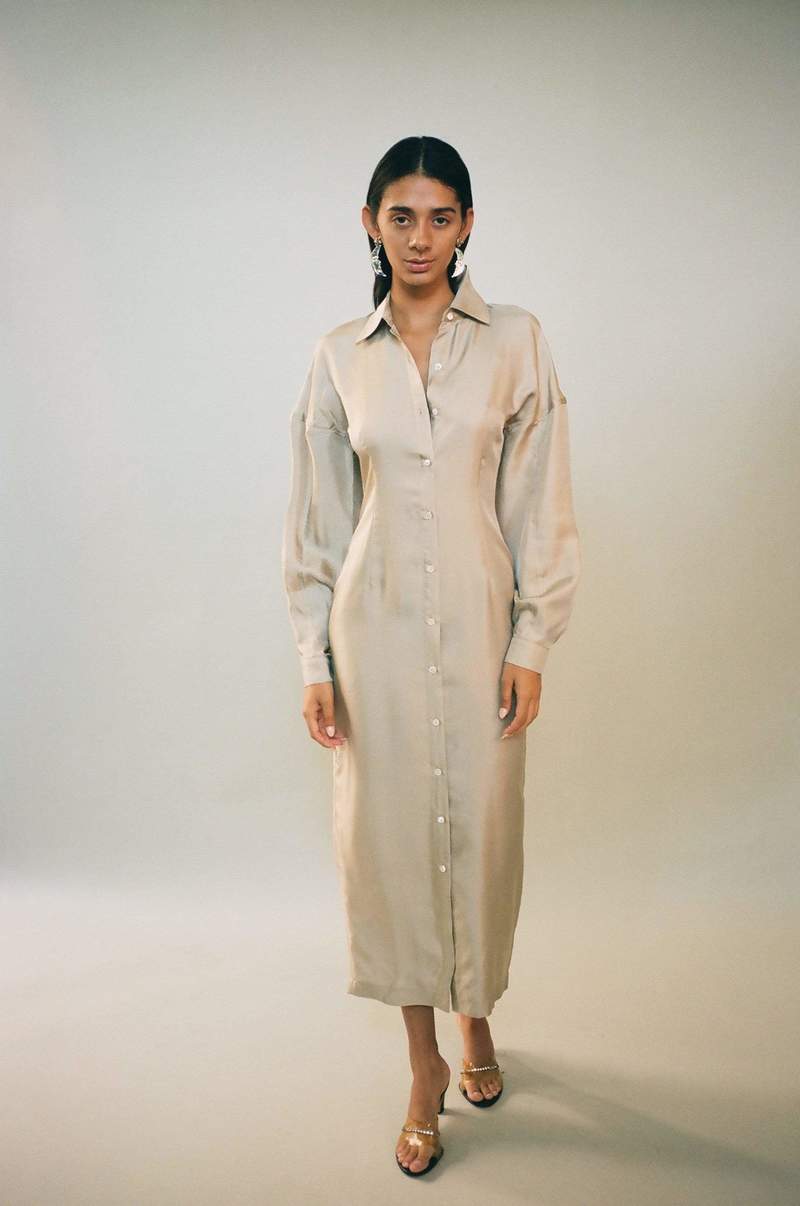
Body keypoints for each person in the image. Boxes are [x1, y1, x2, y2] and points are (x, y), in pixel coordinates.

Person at [281, 135, 582, 1177]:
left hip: (480, 628)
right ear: (370, 224)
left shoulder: (516, 342)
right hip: (371, 636)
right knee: (389, 848)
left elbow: (539, 501)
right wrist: (314, 659)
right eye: (400, 216)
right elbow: (318, 526)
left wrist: (531, 638)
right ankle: (424, 1066)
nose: (419, 237)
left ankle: (476, 1016)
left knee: (483, 835)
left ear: (466, 226)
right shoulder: (338, 356)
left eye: (440, 216)